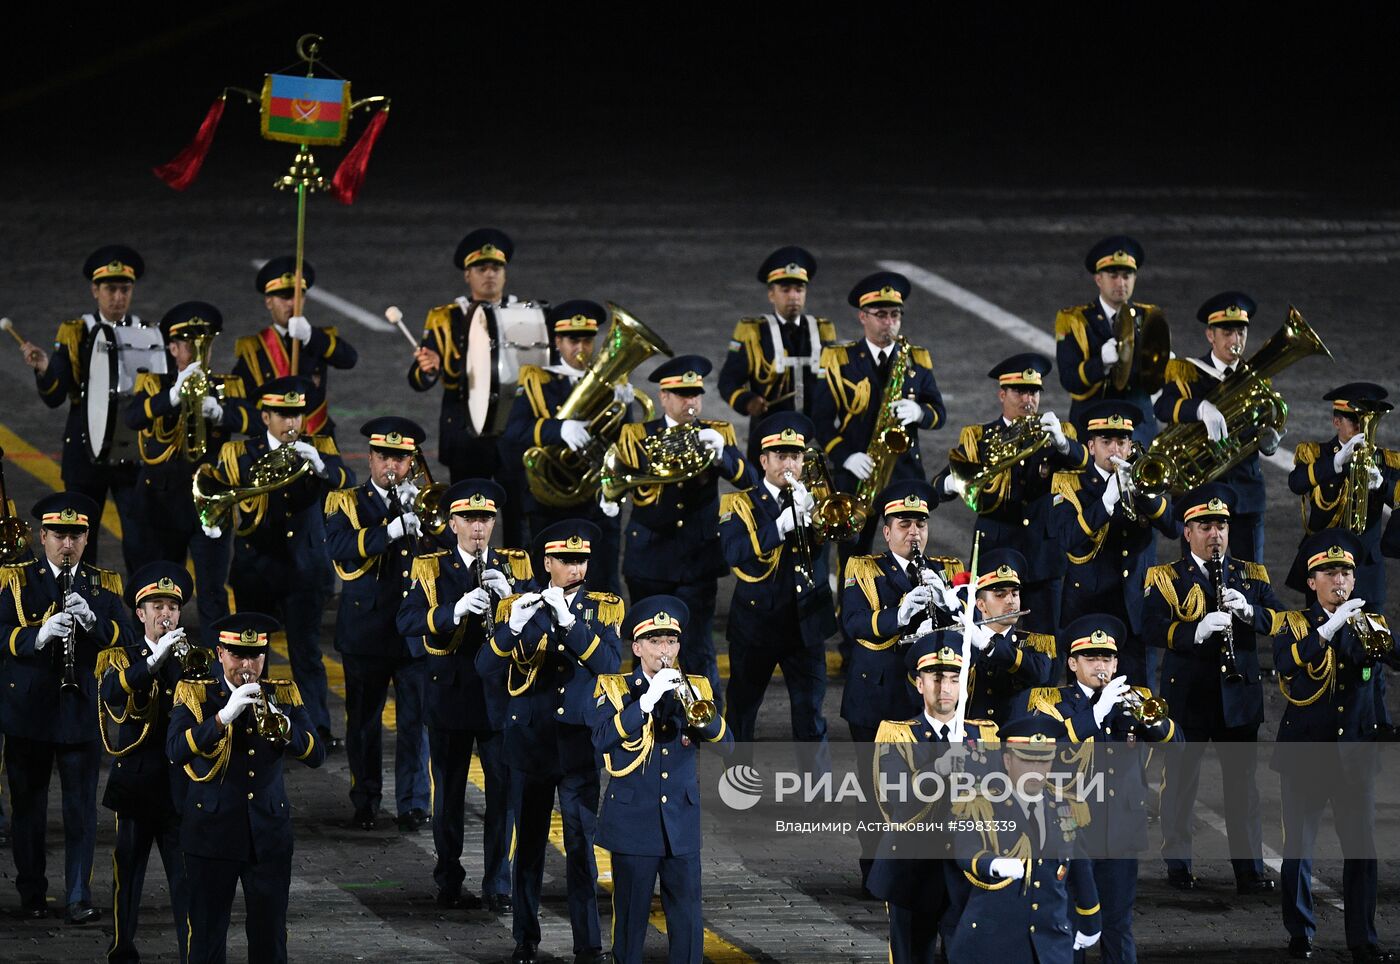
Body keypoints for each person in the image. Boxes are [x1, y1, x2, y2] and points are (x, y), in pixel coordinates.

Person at [481, 519, 622, 964]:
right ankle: (525, 938)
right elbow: (485, 667)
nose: (576, 569)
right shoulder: (520, 605)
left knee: (581, 848)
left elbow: (610, 666)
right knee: (529, 847)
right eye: (566, 560)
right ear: (547, 563)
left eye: (581, 560)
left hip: (578, 744)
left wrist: (570, 624)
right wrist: (510, 628)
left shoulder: (604, 609)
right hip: (530, 743)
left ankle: (588, 945)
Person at [397, 478, 532, 913]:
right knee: (449, 796)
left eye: (486, 518)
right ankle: (449, 878)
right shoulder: (431, 567)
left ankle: (498, 884)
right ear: (452, 523)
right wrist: (452, 611)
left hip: (499, 700)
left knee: (502, 798)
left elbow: (539, 625)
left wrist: (512, 598)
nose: (478, 527)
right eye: (470, 518)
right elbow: (407, 621)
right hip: (451, 697)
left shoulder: (515, 565)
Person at [1143, 482, 1283, 894]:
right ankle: (1178, 865)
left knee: (1243, 787)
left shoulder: (1252, 575)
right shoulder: (1165, 577)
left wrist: (1251, 612)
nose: (1215, 534)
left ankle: (1249, 871)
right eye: (1205, 526)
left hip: (1237, 697)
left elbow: (1282, 622)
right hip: (1188, 695)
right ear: (1187, 532)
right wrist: (1195, 631)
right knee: (1180, 784)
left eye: (1221, 525)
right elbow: (1149, 627)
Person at [0, 491, 132, 923]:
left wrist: (93, 621)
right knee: (28, 810)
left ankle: (78, 895)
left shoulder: (102, 584)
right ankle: (32, 892)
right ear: (43, 536)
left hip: (79, 712)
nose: (67, 544)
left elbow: (129, 639)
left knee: (80, 811)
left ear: (87, 537)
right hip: (29, 712)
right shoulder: (17, 580)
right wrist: (36, 636)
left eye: (76, 535)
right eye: (59, 535)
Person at [1019, 614, 1180, 964]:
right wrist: (1094, 716)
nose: (1100, 666)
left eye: (1107, 658)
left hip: (1121, 831)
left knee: (1118, 926)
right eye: (1091, 658)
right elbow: (1045, 750)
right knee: (1069, 926)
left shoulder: (1134, 700)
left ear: (1117, 664)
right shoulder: (1050, 703)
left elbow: (1177, 745)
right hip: (1072, 832)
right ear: (1072, 663)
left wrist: (1147, 717)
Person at [166, 612, 325, 963]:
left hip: (267, 834)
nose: (247, 665)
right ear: (220, 654)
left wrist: (286, 727)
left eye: (255, 656)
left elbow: (317, 755)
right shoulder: (197, 693)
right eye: (238, 655)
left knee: (270, 939)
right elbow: (175, 750)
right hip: (211, 833)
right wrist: (221, 717)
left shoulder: (282, 694)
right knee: (206, 938)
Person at [206, 376, 352, 749]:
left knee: (307, 653)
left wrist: (319, 464)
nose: (291, 423)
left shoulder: (318, 447)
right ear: (265, 417)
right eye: (283, 415)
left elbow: (346, 480)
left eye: (296, 415)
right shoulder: (239, 453)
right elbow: (217, 497)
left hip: (306, 570)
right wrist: (214, 522)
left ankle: (317, 730)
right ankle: (258, 725)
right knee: (254, 655)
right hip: (257, 570)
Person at [1273, 529, 1397, 963]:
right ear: (1312, 582)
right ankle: (1300, 932)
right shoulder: (1293, 625)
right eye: (1328, 572)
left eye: (1345, 572)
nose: (1338, 579)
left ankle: (1363, 938)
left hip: (1354, 758)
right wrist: (1327, 629)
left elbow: (1385, 671)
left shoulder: (1369, 622)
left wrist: (1373, 632)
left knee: (1361, 852)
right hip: (1305, 753)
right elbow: (1286, 663)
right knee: (1298, 850)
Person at [591, 595, 732, 964]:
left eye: (671, 641)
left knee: (687, 922)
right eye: (655, 641)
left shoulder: (696, 688)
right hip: (633, 824)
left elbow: (728, 745)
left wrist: (698, 709)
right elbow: (601, 739)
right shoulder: (616, 688)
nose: (664, 650)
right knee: (630, 923)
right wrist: (645, 703)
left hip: (680, 826)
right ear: (637, 647)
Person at [604, 353, 750, 699]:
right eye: (683, 395)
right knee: (647, 650)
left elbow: (750, 481)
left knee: (698, 649)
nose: (691, 402)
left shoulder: (717, 433)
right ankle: (644, 717)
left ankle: (706, 718)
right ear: (664, 397)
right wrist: (608, 496)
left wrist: (724, 455)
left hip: (697, 561)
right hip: (649, 558)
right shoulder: (636, 435)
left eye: (695, 394)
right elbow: (614, 481)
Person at [840, 478, 955, 887]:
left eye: (920, 524)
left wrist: (950, 607)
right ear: (886, 532)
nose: (914, 533)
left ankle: (924, 870)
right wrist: (900, 615)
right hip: (877, 697)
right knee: (877, 789)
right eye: (904, 525)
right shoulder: (863, 568)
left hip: (926, 700)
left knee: (933, 782)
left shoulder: (945, 570)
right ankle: (875, 873)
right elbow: (854, 623)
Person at [811, 271, 947, 616]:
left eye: (895, 314)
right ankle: (852, 626)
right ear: (863, 317)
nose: (889, 322)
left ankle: (911, 619)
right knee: (852, 556)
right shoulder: (840, 360)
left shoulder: (916, 358)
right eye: (881, 314)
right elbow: (821, 420)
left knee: (909, 552)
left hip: (903, 476)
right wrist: (845, 456)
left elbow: (939, 414)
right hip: (858, 476)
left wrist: (919, 412)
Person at [324, 417, 433, 832]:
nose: (392, 466)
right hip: (366, 633)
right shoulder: (346, 502)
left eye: (400, 459)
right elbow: (338, 546)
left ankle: (414, 803)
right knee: (364, 724)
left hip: (414, 633)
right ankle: (366, 799)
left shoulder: (423, 502)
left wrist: (425, 520)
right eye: (384, 456)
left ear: (411, 462)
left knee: (415, 724)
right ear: (369, 458)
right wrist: (388, 530)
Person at [18, 245, 153, 574]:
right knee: (80, 543)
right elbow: (55, 395)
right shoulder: (76, 332)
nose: (118, 298)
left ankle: (139, 604)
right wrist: (44, 369)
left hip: (130, 452)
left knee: (140, 541)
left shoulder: (147, 333)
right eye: (110, 289)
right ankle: (82, 604)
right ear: (95, 290)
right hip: (84, 452)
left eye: (125, 289)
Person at [867, 634, 999, 964]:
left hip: (968, 873)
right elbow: (895, 802)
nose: (945, 688)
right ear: (919, 683)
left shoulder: (984, 734)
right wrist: (938, 768)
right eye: (936, 678)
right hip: (912, 871)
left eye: (954, 679)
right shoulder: (897, 734)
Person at [937, 352, 1086, 633]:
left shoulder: (1056, 434)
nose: (1028, 399)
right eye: (1019, 391)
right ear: (1002, 394)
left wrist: (1064, 444)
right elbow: (939, 485)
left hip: (1043, 554)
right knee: (990, 635)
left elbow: (1086, 469)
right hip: (997, 552)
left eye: (1034, 392)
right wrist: (951, 483)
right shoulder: (979, 437)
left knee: (1044, 638)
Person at [718, 412, 835, 771]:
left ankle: (817, 789)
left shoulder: (816, 499)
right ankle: (737, 787)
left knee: (810, 714)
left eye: (795, 456)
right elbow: (732, 553)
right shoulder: (739, 504)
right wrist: (780, 527)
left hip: (806, 626)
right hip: (757, 626)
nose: (789, 465)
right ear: (764, 461)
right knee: (742, 711)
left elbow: (850, 533)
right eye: (781, 456)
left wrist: (818, 515)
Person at [97, 561, 197, 963]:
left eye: (172, 607)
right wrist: (154, 662)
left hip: (178, 787)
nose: (165, 614)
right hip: (136, 786)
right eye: (157, 606)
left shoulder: (192, 659)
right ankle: (122, 950)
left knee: (185, 880)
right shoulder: (123, 656)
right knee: (127, 876)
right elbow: (112, 692)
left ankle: (191, 953)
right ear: (140, 614)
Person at [125, 301, 246, 631]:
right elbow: (133, 417)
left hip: (210, 504)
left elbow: (253, 421)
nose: (196, 351)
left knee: (213, 593)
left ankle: (218, 661)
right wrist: (173, 397)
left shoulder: (225, 386)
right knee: (156, 591)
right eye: (189, 344)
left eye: (203, 343)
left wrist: (220, 412)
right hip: (161, 504)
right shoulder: (154, 384)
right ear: (172, 347)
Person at [1289, 382, 1400, 739]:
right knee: (1323, 646)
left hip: (1365, 571)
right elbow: (1296, 483)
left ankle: (1377, 723)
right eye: (1354, 420)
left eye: (1367, 421)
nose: (1362, 428)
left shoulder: (1385, 461)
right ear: (1337, 421)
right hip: (1324, 573)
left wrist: (1382, 485)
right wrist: (1335, 464)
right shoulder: (1316, 454)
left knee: (1374, 648)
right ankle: (1321, 722)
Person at [407, 227, 530, 545]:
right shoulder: (445, 318)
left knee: (520, 518)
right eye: (481, 268)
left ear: (504, 272)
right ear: (467, 274)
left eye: (496, 267)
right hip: (466, 435)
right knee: (469, 518)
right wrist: (428, 368)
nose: (489, 274)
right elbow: (419, 378)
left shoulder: (524, 315)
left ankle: (520, 575)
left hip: (514, 433)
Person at [947, 714, 1102, 964]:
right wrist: (992, 864)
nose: (1036, 771)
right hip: (994, 943)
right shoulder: (981, 805)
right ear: (1007, 761)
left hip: (1051, 943)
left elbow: (1079, 865)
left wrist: (1091, 918)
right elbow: (965, 849)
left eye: (1043, 762)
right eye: (1027, 761)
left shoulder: (1064, 807)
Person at [502, 298, 629, 592]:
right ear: (558, 342)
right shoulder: (537, 380)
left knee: (601, 581)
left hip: (596, 499)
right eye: (573, 340)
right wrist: (558, 429)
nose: (581, 348)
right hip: (550, 504)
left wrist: (625, 411)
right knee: (550, 584)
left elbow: (624, 444)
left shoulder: (612, 383)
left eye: (587, 340)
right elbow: (514, 432)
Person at [1050, 400, 1177, 684]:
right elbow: (1067, 539)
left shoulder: (1144, 481)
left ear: (1131, 446)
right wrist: (1105, 502)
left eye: (1121, 442)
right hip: (1088, 609)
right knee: (1086, 696)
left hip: (1135, 610)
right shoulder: (1070, 484)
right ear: (1091, 446)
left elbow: (1174, 527)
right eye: (1106, 442)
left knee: (1138, 694)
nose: (1115, 450)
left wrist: (1143, 494)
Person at [1156, 291, 1269, 561]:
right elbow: (1162, 407)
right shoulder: (1188, 372)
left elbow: (1261, 423)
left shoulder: (1255, 379)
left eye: (1241, 332)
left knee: (1252, 574)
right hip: (1201, 495)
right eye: (1227, 333)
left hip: (1246, 492)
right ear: (1210, 335)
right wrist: (1198, 408)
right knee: (1198, 574)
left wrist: (1268, 440)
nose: (1235, 340)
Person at [718, 246, 837, 463]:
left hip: (814, 437)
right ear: (771, 294)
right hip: (768, 437)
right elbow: (728, 381)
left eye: (799, 289)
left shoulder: (822, 331)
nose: (793, 296)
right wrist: (747, 401)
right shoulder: (753, 332)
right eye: (785, 289)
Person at [231, 256, 358, 439]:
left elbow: (349, 359)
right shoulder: (254, 349)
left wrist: (310, 336)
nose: (292, 303)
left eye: (298, 296)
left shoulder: (316, 339)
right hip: (274, 443)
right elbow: (242, 401)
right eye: (285, 297)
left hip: (317, 439)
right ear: (269, 301)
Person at [1053, 236, 1161, 445]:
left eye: (1127, 275)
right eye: (1113, 276)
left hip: (1139, 428)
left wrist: (1162, 367)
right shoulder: (1075, 320)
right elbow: (1069, 379)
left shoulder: (1150, 317)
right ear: (1098, 279)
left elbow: (1155, 384)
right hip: (1092, 429)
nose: (1121, 283)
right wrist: (1099, 364)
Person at [961, 548, 1057, 725]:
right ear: (981, 605)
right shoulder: (961, 642)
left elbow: (1040, 674)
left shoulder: (1035, 643)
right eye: (1000, 595)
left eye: (1015, 593)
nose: (1011, 601)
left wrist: (989, 646)